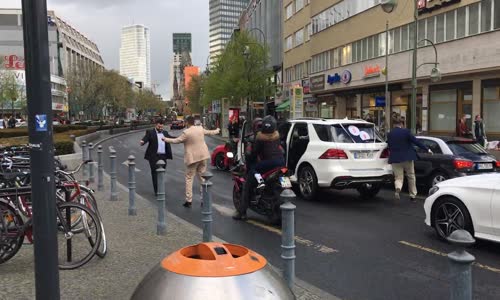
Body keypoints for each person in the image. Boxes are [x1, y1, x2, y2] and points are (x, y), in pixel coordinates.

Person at [233, 115, 285, 220]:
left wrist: (249, 155)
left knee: (251, 177)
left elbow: (253, 154)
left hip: (268, 163)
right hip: (281, 163)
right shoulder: (276, 136)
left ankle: (242, 212)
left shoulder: (260, 138)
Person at [163, 116, 220, 208]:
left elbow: (176, 140)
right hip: (203, 157)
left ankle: (189, 200)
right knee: (203, 179)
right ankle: (204, 199)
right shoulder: (200, 128)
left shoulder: (186, 132)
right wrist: (217, 130)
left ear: (187, 123)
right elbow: (209, 132)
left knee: (189, 178)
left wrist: (165, 139)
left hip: (192, 158)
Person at [387, 118, 432, 203]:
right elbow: (416, 142)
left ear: (394, 124)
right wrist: (427, 149)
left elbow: (389, 145)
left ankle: (398, 188)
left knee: (398, 177)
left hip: (395, 159)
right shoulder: (406, 132)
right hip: (407, 158)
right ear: (402, 124)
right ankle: (412, 195)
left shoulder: (390, 134)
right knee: (411, 176)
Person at [140, 119, 175, 195]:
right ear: (156, 124)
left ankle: (160, 188)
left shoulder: (165, 133)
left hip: (163, 156)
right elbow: (146, 138)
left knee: (162, 173)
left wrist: (182, 138)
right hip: (153, 156)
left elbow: (171, 138)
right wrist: (142, 141)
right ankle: (157, 191)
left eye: (162, 125)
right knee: (155, 173)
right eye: (159, 124)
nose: (161, 126)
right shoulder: (150, 132)